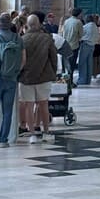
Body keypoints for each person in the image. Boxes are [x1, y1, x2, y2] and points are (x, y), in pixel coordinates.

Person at [0, 11, 25, 147]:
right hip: (11, 79)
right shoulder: (18, 39)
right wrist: (16, 72)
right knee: (8, 111)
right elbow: (23, 59)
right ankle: (3, 140)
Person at [18, 14, 57, 143]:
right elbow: (53, 57)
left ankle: (32, 134)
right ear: (39, 24)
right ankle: (46, 132)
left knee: (28, 105)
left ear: (27, 25)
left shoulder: (22, 39)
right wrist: (53, 72)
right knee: (43, 104)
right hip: (44, 77)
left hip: (26, 77)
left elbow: (20, 59)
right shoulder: (47, 38)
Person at [77, 11, 98, 86]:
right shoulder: (95, 26)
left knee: (82, 63)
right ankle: (88, 79)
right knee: (89, 63)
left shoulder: (86, 26)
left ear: (86, 20)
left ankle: (82, 80)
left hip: (86, 44)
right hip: (92, 46)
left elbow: (80, 34)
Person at [62, 7, 82, 83]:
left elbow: (63, 32)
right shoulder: (78, 22)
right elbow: (81, 35)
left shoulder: (66, 21)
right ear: (79, 14)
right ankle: (70, 82)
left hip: (65, 45)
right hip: (74, 46)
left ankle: (66, 81)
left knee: (66, 65)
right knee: (72, 65)